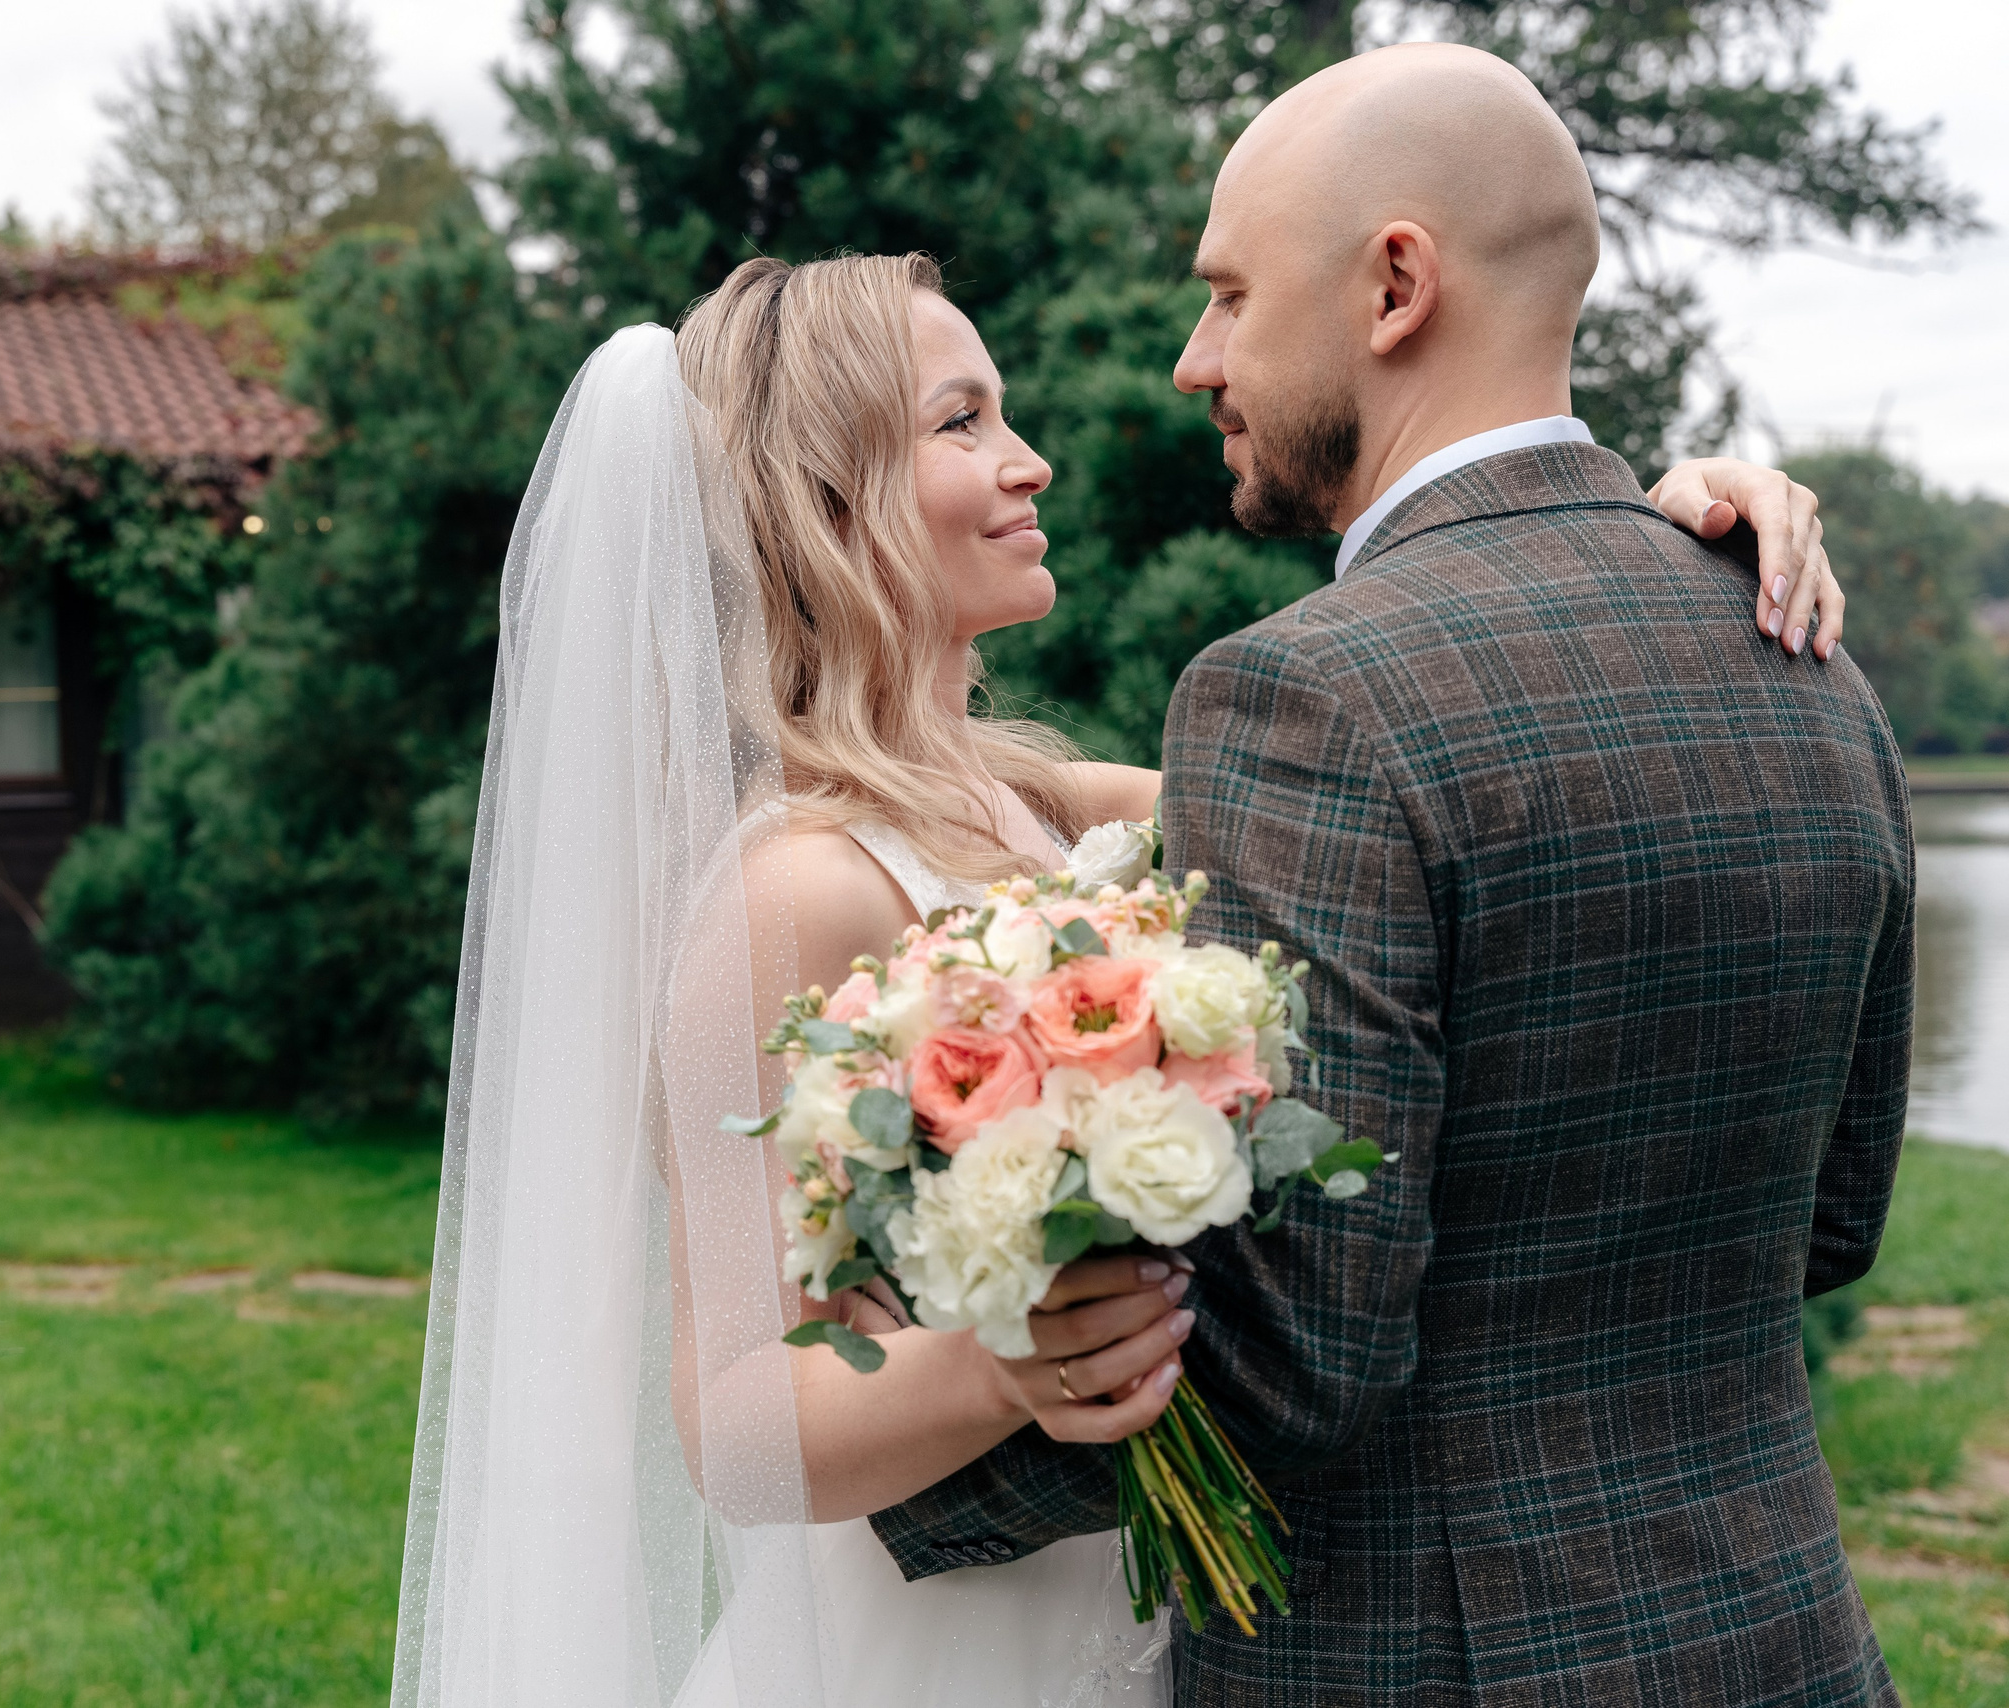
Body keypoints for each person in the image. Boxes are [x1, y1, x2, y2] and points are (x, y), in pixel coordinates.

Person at [391, 225, 1859, 1705]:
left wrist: (1652, 537)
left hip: (1154, 1619)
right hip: (945, 1648)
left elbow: (1425, 793)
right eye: (962, 422)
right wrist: (1000, 1370)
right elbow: (734, 1420)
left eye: (1003, 410)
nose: (1029, 461)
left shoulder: (1037, 803)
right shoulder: (791, 887)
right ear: (824, 500)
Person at [872, 42, 1912, 1707]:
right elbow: (1835, 1219)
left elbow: (1301, 1351)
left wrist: (874, 1487)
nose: (1193, 358)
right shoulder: (1808, 659)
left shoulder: (1306, 692)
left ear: (1396, 284)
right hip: (1780, 1639)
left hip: (1426, 1661)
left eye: (1227, 295)